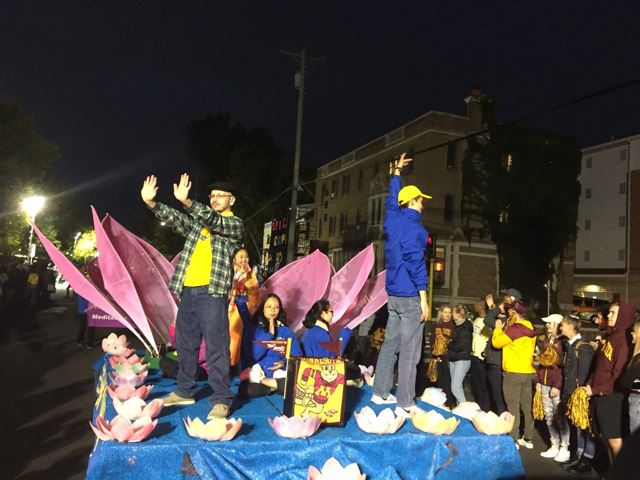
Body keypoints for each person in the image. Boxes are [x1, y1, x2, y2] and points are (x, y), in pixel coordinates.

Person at [141, 173, 243, 419]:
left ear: (232, 200)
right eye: (212, 195)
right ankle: (184, 390)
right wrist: (152, 204)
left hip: (212, 291)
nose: (215, 199)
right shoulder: (200, 226)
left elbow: (211, 218)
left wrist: (187, 202)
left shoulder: (234, 224)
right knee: (186, 343)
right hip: (188, 289)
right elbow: (178, 220)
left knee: (216, 346)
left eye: (221, 196)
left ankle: (221, 398)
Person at [370, 153, 430, 418]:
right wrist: (424, 298)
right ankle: (405, 401)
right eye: (421, 200)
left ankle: (379, 391)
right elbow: (416, 263)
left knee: (390, 344)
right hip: (409, 296)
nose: (423, 204)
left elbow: (391, 201)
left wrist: (396, 174)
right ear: (413, 201)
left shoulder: (392, 220)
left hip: (392, 294)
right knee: (410, 351)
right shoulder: (416, 230)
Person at [585, 302, 635, 460]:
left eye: (613, 313)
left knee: (615, 440)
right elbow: (599, 366)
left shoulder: (625, 340)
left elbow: (618, 376)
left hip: (613, 397)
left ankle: (623, 471)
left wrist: (595, 390)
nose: (608, 315)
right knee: (606, 439)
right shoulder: (611, 336)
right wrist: (590, 384)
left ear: (623, 316)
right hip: (601, 395)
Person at [491, 288, 536, 449]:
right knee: (526, 406)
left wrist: (497, 328)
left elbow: (496, 343)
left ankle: (514, 438)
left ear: (514, 313)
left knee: (513, 407)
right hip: (527, 372)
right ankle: (528, 438)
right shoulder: (530, 326)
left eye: (510, 312)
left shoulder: (514, 328)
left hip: (513, 373)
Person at [239, 294, 302, 397]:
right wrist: (269, 335)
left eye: (276, 307)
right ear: (262, 309)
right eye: (269, 307)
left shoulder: (286, 332)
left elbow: (296, 355)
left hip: (279, 372)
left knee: (297, 383)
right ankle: (275, 385)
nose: (273, 310)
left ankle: (271, 385)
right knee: (245, 389)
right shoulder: (254, 329)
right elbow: (253, 356)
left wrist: (284, 363)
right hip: (258, 371)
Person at [559, 314, 596, 474]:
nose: (560, 327)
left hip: (579, 395)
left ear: (571, 327)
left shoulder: (583, 347)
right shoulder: (571, 345)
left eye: (563, 324)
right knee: (577, 427)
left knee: (584, 428)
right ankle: (578, 455)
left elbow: (584, 374)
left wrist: (580, 396)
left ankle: (586, 459)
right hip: (571, 393)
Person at [300, 300, 361, 384]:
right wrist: (345, 334)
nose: (333, 314)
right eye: (331, 312)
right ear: (322, 314)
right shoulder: (321, 333)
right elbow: (330, 359)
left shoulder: (310, 331)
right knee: (355, 370)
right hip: (321, 372)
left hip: (310, 369)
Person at [536, 314, 570, 462]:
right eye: (547, 323)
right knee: (549, 417)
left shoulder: (562, 342)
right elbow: (542, 363)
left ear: (557, 324)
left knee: (560, 418)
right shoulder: (546, 340)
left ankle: (565, 447)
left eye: (550, 323)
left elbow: (562, 368)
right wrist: (539, 380)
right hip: (544, 384)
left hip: (555, 386)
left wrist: (557, 385)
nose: (547, 325)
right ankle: (554, 445)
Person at [228, 247, 260, 368]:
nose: (244, 259)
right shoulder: (229, 272)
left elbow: (254, 292)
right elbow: (232, 287)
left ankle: (240, 364)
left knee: (243, 334)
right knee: (233, 334)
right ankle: (231, 362)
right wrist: (239, 274)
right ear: (234, 259)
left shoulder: (251, 273)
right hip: (231, 306)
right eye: (241, 257)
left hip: (245, 306)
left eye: (246, 257)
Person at [483, 293, 507, 414]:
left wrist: (495, 308)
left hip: (498, 363)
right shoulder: (500, 320)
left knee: (498, 394)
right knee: (494, 392)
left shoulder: (504, 322)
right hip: (494, 362)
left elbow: (487, 320)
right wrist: (493, 308)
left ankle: (503, 417)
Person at [427, 304, 454, 406]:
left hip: (448, 357)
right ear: (441, 313)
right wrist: (434, 355)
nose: (447, 314)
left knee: (447, 380)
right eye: (445, 312)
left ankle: (448, 403)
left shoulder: (453, 325)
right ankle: (439, 403)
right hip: (436, 357)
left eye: (449, 312)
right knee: (437, 381)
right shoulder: (436, 325)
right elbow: (432, 340)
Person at [448, 304, 472, 406]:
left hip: (462, 360)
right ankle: (460, 408)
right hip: (454, 359)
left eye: (453, 312)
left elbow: (460, 346)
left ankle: (464, 408)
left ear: (458, 314)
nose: (451, 314)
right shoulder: (456, 324)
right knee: (457, 387)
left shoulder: (466, 327)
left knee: (455, 388)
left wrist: (448, 343)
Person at [618, 320, 640, 435]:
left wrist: (634, 384)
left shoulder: (638, 358)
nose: (631, 333)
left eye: (634, 331)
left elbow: (625, 382)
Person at [470, 298, 491, 411]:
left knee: (484, 385)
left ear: (481, 306)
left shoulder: (488, 321)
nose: (474, 306)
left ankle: (485, 409)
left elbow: (486, 335)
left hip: (482, 357)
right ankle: (479, 407)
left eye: (476, 304)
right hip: (474, 355)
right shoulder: (477, 319)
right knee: (476, 385)